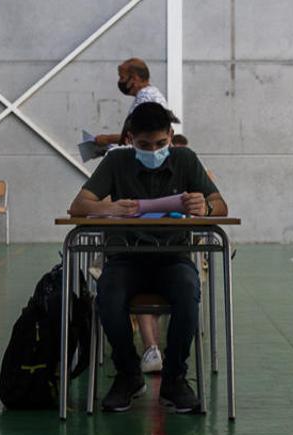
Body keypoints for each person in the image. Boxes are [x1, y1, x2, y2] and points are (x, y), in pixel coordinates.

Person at [67, 103, 227, 413]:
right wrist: (106, 209)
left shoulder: (185, 159)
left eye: (159, 144)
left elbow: (220, 204)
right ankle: (128, 374)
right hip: (126, 259)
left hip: (173, 258)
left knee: (187, 292)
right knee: (108, 298)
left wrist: (204, 208)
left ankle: (175, 378)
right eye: (143, 145)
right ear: (129, 139)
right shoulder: (116, 161)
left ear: (170, 135)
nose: (152, 151)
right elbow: (78, 205)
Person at [94, 58, 169, 147]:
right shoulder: (149, 95)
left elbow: (142, 134)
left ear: (134, 78)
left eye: (122, 77)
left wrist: (107, 139)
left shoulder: (145, 100)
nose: (120, 82)